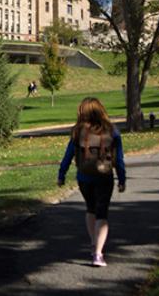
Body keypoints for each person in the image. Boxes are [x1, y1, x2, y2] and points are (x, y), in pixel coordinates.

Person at [58, 97, 126, 267]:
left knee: (90, 208)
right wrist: (122, 178)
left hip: (84, 177)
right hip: (105, 177)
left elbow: (68, 155)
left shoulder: (77, 131)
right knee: (102, 213)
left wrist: (62, 174)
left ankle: (94, 244)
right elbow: (119, 159)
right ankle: (98, 254)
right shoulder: (112, 130)